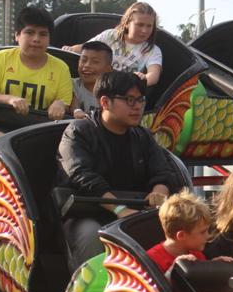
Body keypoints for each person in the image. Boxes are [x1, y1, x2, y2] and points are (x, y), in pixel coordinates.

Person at [55, 71, 175, 268]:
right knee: (91, 235)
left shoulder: (143, 136)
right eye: (129, 100)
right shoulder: (78, 132)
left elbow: (163, 171)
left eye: (140, 100)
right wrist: (120, 210)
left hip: (136, 211)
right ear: (105, 102)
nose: (137, 107)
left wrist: (158, 192)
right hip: (88, 213)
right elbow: (81, 176)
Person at [0, 6, 74, 141]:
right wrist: (10, 100)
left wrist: (60, 104)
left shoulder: (61, 68)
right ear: (17, 35)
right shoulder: (1, 59)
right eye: (30, 32)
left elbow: (65, 102)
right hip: (0, 124)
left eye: (43, 34)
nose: (36, 39)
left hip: (42, 130)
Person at [66, 2, 163, 87]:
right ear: (127, 23)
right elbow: (84, 48)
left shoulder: (152, 50)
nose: (144, 30)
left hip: (124, 91)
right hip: (97, 85)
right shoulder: (110, 35)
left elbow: (153, 76)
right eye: (140, 25)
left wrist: (143, 78)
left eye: (149, 26)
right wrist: (69, 49)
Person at [72, 41, 112, 118]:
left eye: (95, 62)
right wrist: (76, 110)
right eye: (83, 60)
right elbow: (72, 103)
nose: (87, 65)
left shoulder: (114, 92)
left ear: (108, 69)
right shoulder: (71, 84)